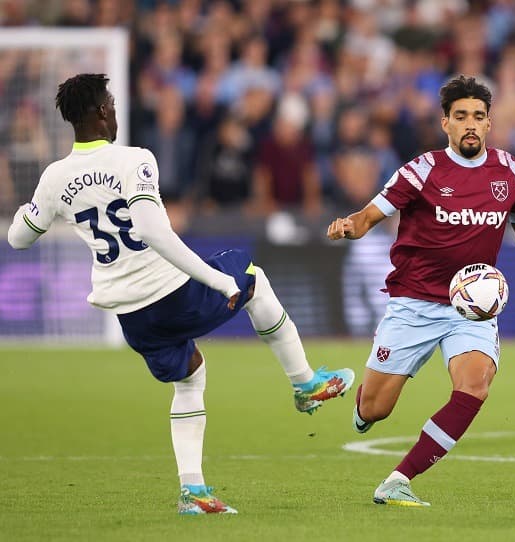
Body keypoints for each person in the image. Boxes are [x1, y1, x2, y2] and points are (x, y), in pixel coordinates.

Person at [6, 74, 354, 515]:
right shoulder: (134, 159)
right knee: (254, 279)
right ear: (100, 113)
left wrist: (34, 205)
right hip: (169, 293)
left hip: (131, 317)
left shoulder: (55, 176)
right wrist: (217, 280)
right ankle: (306, 384)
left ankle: (193, 491)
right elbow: (154, 231)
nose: (114, 111)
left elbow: (19, 238)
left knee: (190, 377)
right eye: (110, 104)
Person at [327, 75, 515, 507]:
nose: (470, 124)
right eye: (461, 117)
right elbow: (368, 216)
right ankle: (363, 405)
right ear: (446, 124)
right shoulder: (421, 171)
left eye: (478, 116)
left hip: (470, 309)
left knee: (475, 387)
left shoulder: (510, 173)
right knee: (376, 409)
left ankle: (399, 478)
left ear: (490, 123)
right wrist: (349, 226)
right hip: (413, 303)